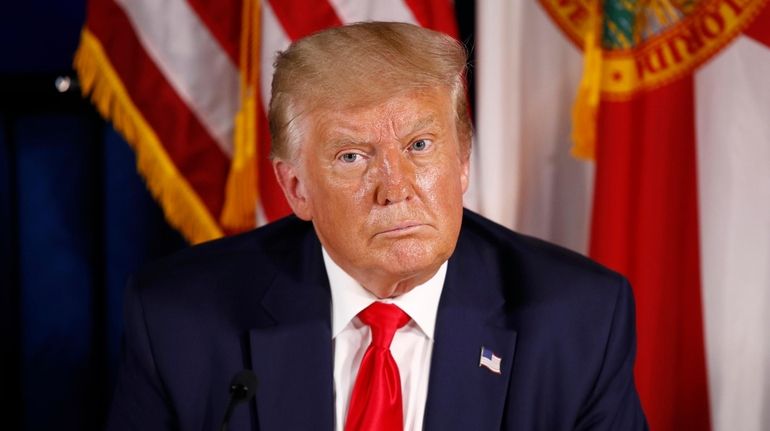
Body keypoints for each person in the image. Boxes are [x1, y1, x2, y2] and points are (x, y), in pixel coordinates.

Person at [107, 22, 647, 431]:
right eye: (351, 156)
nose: (395, 186)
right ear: (296, 188)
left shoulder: (578, 321)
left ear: (462, 162)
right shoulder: (180, 321)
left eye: (419, 146)